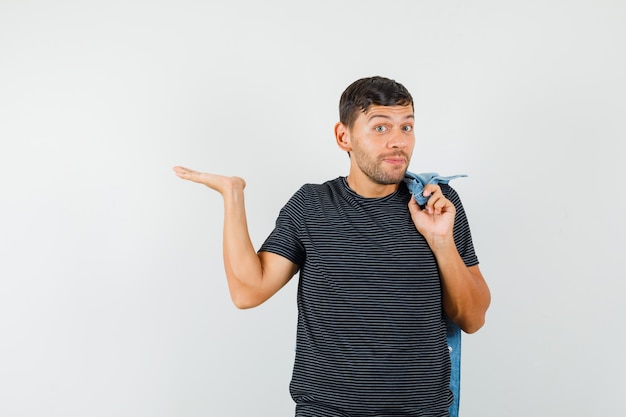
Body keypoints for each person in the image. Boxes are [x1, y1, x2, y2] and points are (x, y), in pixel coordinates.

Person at [173, 76, 491, 417]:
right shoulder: (312, 206)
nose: (398, 142)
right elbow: (248, 291)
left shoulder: (435, 203)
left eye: (407, 127)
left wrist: (441, 240)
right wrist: (232, 196)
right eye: (381, 128)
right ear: (344, 137)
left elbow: (472, 318)